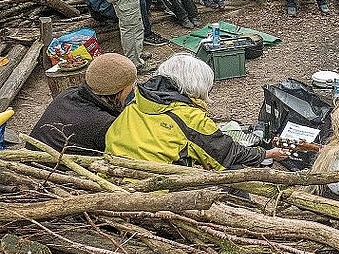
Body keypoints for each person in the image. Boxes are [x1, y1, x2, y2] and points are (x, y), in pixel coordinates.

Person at [105, 53, 289, 169]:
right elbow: (226, 154)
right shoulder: (188, 117)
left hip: (115, 174)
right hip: (155, 190)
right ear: (197, 86)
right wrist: (266, 154)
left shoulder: (140, 99)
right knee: (234, 172)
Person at [29, 53, 137, 156]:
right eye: (132, 85)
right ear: (120, 90)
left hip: (29, 158)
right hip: (53, 171)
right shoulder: (103, 124)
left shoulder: (68, 93)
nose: (133, 89)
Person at [87, 0, 170, 48]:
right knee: (139, 1)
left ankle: (141, 25)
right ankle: (146, 35)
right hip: (102, 10)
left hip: (111, 4)